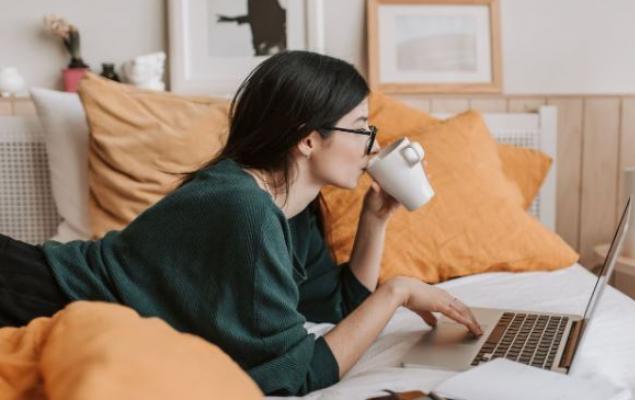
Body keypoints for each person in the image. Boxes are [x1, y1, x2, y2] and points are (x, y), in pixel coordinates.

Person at [0, 50, 482, 396]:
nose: (372, 144)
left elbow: (334, 309)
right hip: (34, 293)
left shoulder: (292, 207)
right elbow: (299, 373)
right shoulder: (244, 210)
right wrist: (395, 292)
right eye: (361, 128)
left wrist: (375, 222)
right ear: (307, 141)